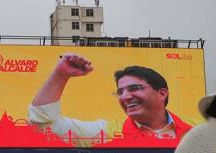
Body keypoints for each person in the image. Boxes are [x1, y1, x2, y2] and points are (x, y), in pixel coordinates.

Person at [29, 55, 192, 147]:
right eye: (120, 92)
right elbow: (43, 126)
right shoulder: (107, 133)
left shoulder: (199, 131)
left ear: (162, 93)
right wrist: (61, 74)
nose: (125, 97)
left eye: (134, 88)